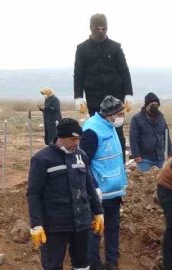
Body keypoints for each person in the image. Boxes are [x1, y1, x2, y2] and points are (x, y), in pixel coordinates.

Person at [26, 118, 105, 270]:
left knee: (82, 264)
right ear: (61, 137)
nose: (76, 143)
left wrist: (98, 212)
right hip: (55, 224)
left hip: (81, 221)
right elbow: (33, 193)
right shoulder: (43, 159)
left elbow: (89, 185)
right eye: (73, 139)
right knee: (52, 269)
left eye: (78, 138)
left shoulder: (81, 156)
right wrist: (36, 224)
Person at [81, 95, 128, 270]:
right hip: (100, 193)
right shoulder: (92, 131)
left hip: (114, 191)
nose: (122, 117)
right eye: (120, 114)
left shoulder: (111, 126)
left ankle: (112, 264)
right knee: (95, 231)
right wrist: (94, 188)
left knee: (113, 229)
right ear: (109, 114)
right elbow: (84, 163)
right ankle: (95, 267)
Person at [74, 13, 133, 160]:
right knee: (96, 129)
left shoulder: (115, 47)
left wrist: (128, 94)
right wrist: (78, 97)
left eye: (104, 28)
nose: (101, 31)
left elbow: (124, 71)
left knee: (117, 131)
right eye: (97, 28)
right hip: (94, 98)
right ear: (91, 28)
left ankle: (120, 162)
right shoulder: (82, 49)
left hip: (115, 97)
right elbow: (79, 73)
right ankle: (96, 161)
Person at [130, 92, 172, 172]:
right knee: (145, 181)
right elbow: (133, 138)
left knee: (158, 181)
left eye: (156, 104)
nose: (155, 107)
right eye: (152, 104)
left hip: (159, 158)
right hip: (144, 158)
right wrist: (136, 155)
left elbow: (167, 136)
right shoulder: (137, 119)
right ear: (146, 105)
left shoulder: (161, 119)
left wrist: (170, 153)